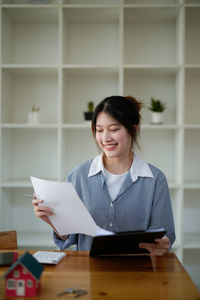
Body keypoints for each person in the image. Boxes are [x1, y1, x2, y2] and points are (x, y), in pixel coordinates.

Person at [32, 95, 175, 256]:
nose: (105, 138)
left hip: (136, 272)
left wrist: (162, 244)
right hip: (88, 273)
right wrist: (52, 221)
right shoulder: (78, 176)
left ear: (133, 129)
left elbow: (165, 236)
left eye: (114, 129)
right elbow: (69, 238)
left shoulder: (155, 180)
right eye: (99, 130)